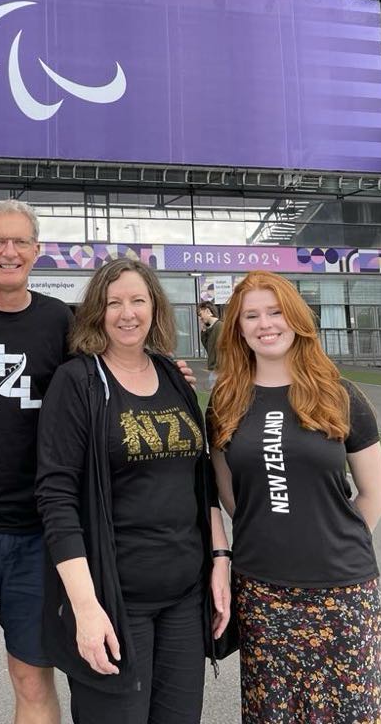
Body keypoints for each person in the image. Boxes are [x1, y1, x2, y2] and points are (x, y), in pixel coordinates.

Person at [0, 200, 201, 724]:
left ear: (37, 251)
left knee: (33, 677)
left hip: (41, 539)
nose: (9, 251)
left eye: (20, 241)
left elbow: (117, 362)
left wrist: (165, 367)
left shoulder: (60, 323)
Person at [35, 258, 231, 724]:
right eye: (113, 302)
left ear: (154, 307)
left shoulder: (172, 376)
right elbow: (56, 498)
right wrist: (85, 608)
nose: (127, 313)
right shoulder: (77, 381)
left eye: (138, 300)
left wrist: (220, 560)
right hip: (115, 600)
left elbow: (200, 478)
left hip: (185, 598)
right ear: (96, 313)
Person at [208, 270, 381, 724]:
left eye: (275, 312)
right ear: (238, 328)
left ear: (296, 319)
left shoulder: (340, 395)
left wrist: (327, 540)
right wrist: (278, 535)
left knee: (350, 714)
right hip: (263, 592)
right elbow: (231, 495)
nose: (265, 323)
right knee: (273, 713)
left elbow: (375, 493)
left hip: (342, 592)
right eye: (251, 315)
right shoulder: (226, 402)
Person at [198, 301, 223, 388]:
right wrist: (203, 331)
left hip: (221, 371)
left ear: (207, 311)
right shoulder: (211, 329)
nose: (200, 317)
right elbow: (209, 349)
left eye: (200, 313)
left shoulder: (220, 327)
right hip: (216, 370)